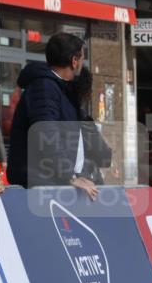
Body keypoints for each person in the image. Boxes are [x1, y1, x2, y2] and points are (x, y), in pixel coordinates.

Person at [6, 32, 99, 200]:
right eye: (82, 59)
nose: (82, 64)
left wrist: (79, 174)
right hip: (38, 186)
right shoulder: (44, 87)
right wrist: (70, 177)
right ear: (74, 61)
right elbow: (47, 135)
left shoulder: (62, 89)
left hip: (54, 181)